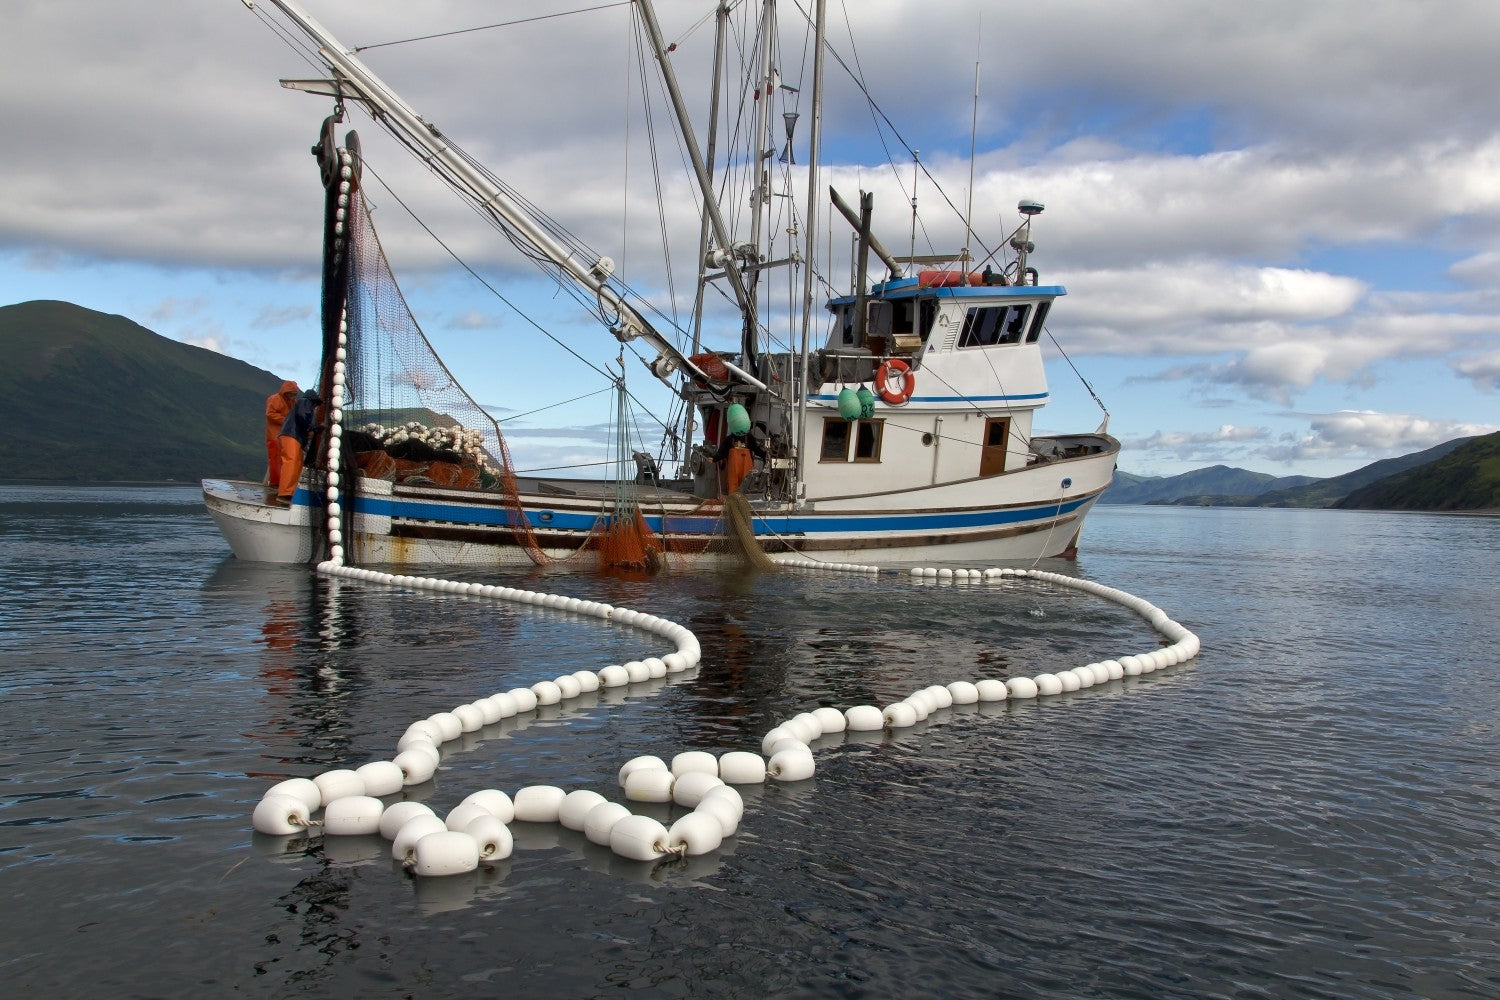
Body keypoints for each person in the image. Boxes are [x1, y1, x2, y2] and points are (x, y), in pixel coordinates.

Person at [275, 388, 322, 507]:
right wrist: (313, 428)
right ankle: (284, 494)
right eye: (316, 404)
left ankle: (289, 492)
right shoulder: (305, 401)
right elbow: (303, 416)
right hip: (292, 435)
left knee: (296, 464)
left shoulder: (301, 403)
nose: (315, 407)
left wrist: (314, 429)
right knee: (291, 463)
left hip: (293, 437)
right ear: (312, 400)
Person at [715, 403, 767, 496]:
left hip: (747, 474)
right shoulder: (728, 440)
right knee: (733, 492)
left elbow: (757, 450)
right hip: (733, 475)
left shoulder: (749, 438)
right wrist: (713, 458)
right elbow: (721, 453)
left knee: (747, 490)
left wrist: (765, 455)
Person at [264, 380, 300, 492]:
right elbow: (270, 414)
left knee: (284, 460)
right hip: (274, 435)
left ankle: (281, 483)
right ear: (286, 392)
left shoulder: (292, 402)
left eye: (294, 394)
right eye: (291, 393)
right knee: (275, 459)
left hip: (285, 435)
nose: (292, 396)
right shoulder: (275, 399)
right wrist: (286, 420)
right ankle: (274, 483)